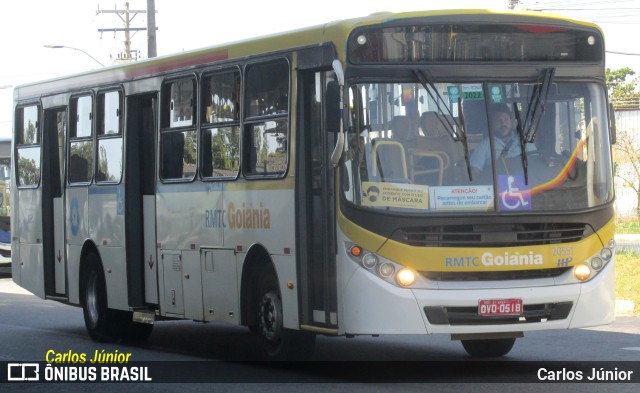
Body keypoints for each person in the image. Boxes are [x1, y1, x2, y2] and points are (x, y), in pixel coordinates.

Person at [470, 104, 536, 176]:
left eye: (506, 119)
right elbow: (474, 172)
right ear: (492, 123)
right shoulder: (484, 145)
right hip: (496, 186)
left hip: (525, 185)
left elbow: (536, 163)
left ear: (511, 122)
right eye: (498, 120)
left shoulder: (524, 141)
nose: (503, 123)